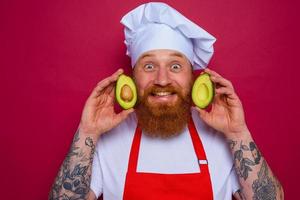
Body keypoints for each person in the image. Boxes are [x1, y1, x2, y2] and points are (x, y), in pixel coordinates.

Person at [49, 2, 284, 200]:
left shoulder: (223, 135)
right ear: (131, 78)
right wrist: (87, 133)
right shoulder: (107, 136)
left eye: (175, 66)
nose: (162, 79)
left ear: (193, 78)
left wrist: (238, 134)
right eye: (149, 66)